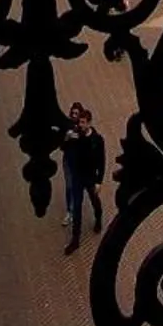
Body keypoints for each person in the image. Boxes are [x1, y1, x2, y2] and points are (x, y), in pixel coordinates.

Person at [54, 102, 106, 252]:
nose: (80, 125)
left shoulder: (97, 140)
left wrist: (99, 181)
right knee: (77, 208)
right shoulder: (75, 136)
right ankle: (75, 239)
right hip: (77, 176)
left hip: (90, 177)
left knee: (94, 200)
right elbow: (63, 148)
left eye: (83, 123)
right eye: (79, 122)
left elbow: (101, 161)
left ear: (89, 123)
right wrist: (67, 138)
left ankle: (98, 218)